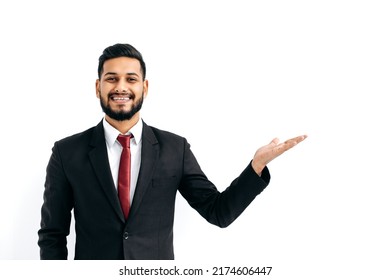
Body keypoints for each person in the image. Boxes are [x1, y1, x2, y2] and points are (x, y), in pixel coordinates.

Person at [38, 43, 307, 260]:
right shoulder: (66, 152)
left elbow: (218, 212)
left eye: (131, 79)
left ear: (144, 88)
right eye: (111, 79)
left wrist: (255, 168)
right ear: (98, 88)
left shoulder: (174, 149)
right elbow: (53, 234)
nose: (121, 87)